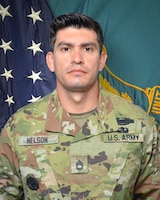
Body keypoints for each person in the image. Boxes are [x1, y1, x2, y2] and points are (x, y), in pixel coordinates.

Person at [0, 13, 160, 200]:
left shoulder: (139, 125)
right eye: (66, 48)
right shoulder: (19, 127)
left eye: (87, 49)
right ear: (51, 61)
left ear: (101, 60)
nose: (77, 58)